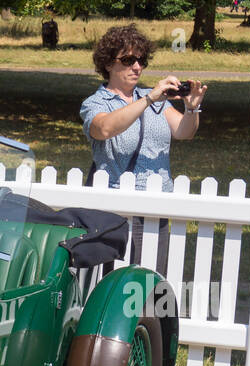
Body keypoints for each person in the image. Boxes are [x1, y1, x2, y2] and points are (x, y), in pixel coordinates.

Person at [80, 24, 206, 263]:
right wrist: (148, 98)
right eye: (128, 60)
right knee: (114, 286)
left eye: (141, 60)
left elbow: (184, 131)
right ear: (108, 64)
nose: (136, 66)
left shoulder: (156, 100)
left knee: (152, 283)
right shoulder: (96, 102)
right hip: (115, 209)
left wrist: (192, 108)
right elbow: (104, 128)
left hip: (156, 205)